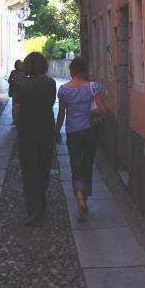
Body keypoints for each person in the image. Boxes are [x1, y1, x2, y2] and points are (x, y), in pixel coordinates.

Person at [55, 57, 108, 221]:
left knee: (75, 165)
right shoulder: (92, 87)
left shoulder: (64, 90)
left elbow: (61, 113)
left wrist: (57, 131)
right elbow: (103, 110)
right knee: (87, 165)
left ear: (71, 70)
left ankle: (79, 196)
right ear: (84, 70)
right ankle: (85, 197)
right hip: (90, 131)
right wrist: (100, 126)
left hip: (73, 133)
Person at [13, 51, 56, 226]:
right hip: (46, 128)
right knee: (44, 166)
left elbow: (16, 110)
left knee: (29, 168)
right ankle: (41, 201)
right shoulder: (51, 83)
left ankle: (34, 207)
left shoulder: (22, 84)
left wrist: (19, 124)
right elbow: (51, 103)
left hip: (27, 131)